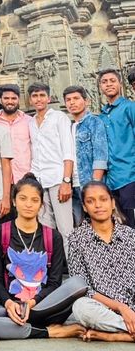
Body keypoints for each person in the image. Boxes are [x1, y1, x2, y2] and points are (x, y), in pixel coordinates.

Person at [0, 173, 87, 340]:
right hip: (11, 308)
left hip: (43, 306)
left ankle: (14, 328)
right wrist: (9, 303)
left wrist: (33, 303)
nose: (28, 204)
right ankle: (48, 332)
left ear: (41, 205)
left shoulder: (52, 237)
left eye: (34, 200)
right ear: (14, 201)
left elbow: (55, 282)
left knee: (78, 283)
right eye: (23, 198)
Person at [69, 181, 135, 343]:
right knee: (80, 307)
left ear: (112, 203)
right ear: (84, 207)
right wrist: (120, 307)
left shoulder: (130, 235)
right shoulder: (77, 239)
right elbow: (82, 287)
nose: (98, 205)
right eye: (91, 201)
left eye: (103, 199)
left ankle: (116, 336)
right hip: (104, 310)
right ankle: (126, 331)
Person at [28, 83, 74, 255]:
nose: (38, 99)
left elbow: (68, 151)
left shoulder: (59, 118)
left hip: (57, 179)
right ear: (30, 100)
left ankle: (75, 273)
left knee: (65, 229)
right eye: (34, 96)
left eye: (41, 95)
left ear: (48, 98)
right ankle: (52, 273)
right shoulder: (31, 122)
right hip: (39, 181)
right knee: (46, 230)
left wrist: (66, 181)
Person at [63, 85, 108, 225]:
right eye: (68, 100)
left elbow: (100, 155)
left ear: (86, 101)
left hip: (88, 181)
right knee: (79, 225)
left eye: (76, 98)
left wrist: (95, 184)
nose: (72, 102)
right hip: (72, 185)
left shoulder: (94, 122)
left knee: (97, 222)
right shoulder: (68, 126)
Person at [98, 68, 135, 227]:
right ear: (100, 87)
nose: (109, 85)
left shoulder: (130, 108)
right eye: (104, 82)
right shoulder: (102, 115)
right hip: (111, 180)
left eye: (112, 81)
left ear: (120, 84)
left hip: (130, 176)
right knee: (121, 226)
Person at [0, 85, 31, 183]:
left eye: (13, 98)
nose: (10, 101)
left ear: (18, 100)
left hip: (25, 176)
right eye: (6, 98)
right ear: (0, 100)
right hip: (0, 178)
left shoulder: (29, 121)